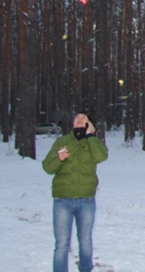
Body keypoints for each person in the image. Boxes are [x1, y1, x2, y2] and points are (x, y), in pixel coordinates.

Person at [42, 113, 109, 272]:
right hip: (62, 201)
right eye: (77, 119)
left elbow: (102, 156)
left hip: (86, 200)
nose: (79, 120)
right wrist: (59, 158)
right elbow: (47, 167)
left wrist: (91, 136)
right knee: (61, 244)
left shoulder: (93, 143)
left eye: (83, 119)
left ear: (89, 124)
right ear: (72, 124)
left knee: (85, 241)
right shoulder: (62, 141)